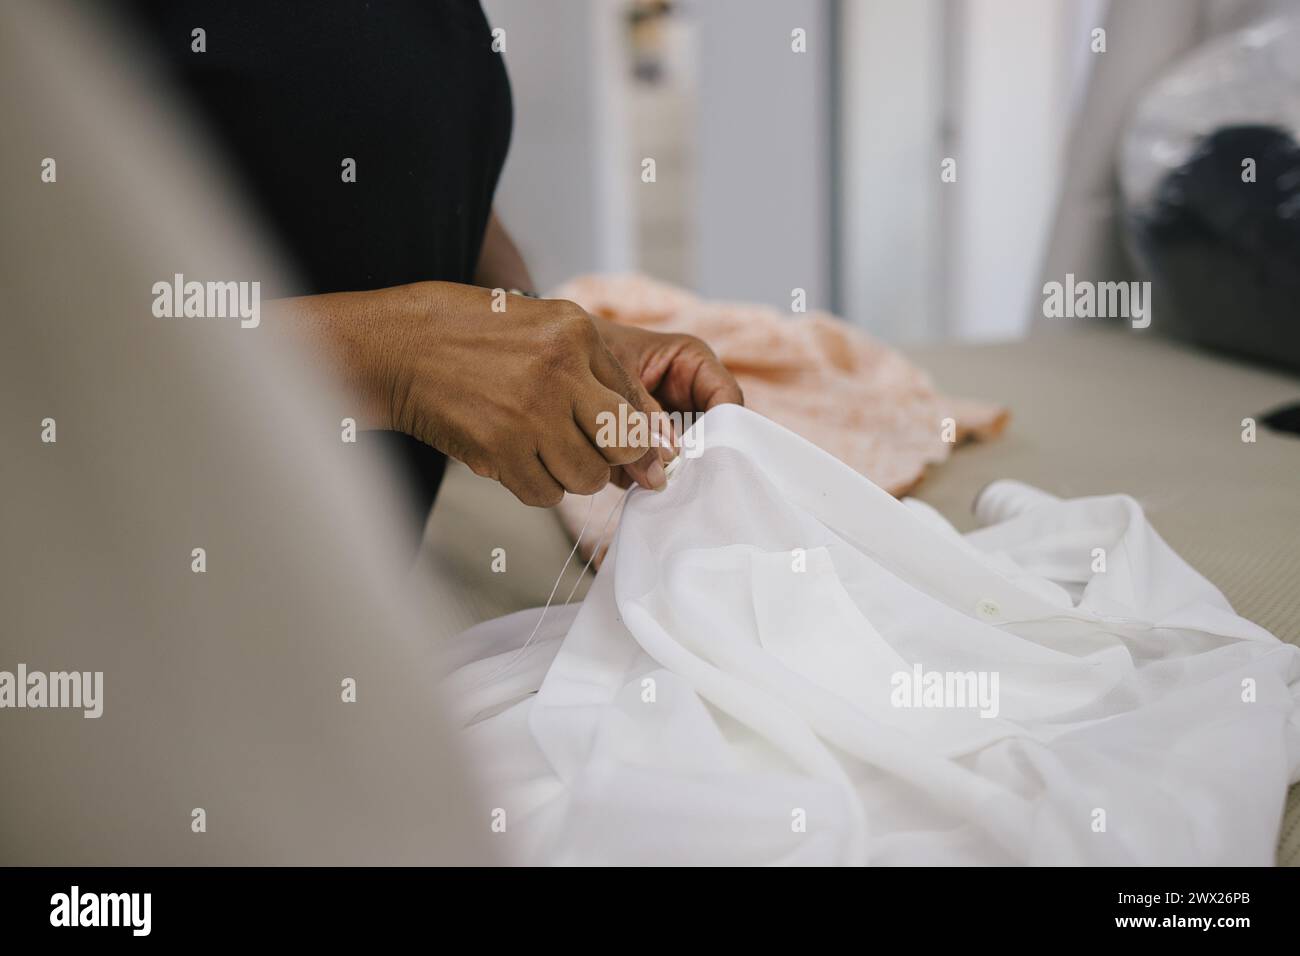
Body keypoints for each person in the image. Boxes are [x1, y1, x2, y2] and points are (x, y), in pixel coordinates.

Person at [123, 0, 742, 530]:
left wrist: (534, 330)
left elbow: (421, 170)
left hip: (355, 578)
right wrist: (395, 361)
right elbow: (46, 345)